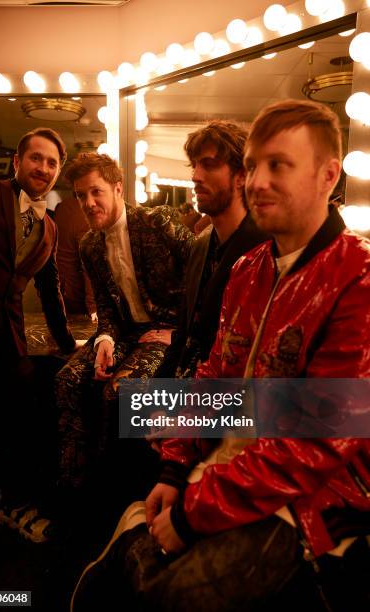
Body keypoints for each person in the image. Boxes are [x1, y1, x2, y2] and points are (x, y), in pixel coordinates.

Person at [71, 100, 370, 612]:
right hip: (223, 448)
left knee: (167, 594)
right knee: (112, 570)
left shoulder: (357, 278)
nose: (256, 181)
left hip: (312, 492)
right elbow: (217, 377)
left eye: (278, 165)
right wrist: (175, 467)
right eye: (253, 166)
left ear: (328, 175)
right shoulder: (246, 266)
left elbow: (316, 439)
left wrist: (192, 512)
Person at [0, 127, 79, 576]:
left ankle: (9, 505)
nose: (43, 169)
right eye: (36, 159)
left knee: (19, 427)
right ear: (17, 162)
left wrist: (69, 346)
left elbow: (51, 294)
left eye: (52, 163)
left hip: (6, 343)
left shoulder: (48, 229)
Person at [56, 153, 194, 494]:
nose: (88, 203)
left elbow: (206, 273)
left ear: (118, 188)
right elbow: (105, 306)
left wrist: (181, 334)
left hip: (169, 333)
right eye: (80, 195)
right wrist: (104, 339)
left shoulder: (157, 221)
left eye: (95, 192)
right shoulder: (89, 244)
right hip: (124, 333)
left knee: (118, 393)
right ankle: (74, 482)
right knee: (66, 380)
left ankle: (113, 488)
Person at [156, 120, 268, 379]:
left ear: (242, 176)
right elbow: (185, 334)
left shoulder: (265, 249)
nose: (195, 176)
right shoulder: (200, 245)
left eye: (209, 164)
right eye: (194, 165)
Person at [54, 195, 96, 318]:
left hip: (61, 290)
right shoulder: (83, 213)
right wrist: (93, 306)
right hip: (76, 295)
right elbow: (88, 262)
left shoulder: (63, 206)